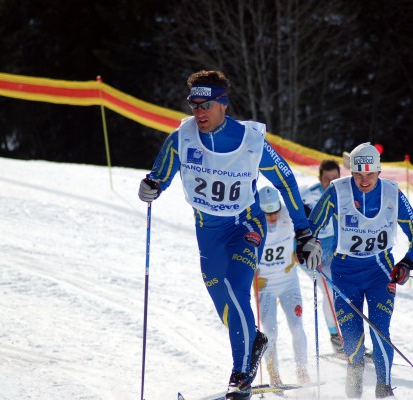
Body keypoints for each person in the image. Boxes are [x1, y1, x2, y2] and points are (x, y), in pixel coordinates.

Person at [137, 70, 322, 400]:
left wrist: (304, 231)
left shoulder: (251, 140)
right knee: (222, 301)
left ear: (223, 103)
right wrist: (150, 187)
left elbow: (286, 181)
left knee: (238, 289)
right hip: (207, 233)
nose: (199, 113)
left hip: (244, 225)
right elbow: (159, 176)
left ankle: (240, 378)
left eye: (206, 105)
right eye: (194, 105)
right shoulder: (183, 137)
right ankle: (254, 342)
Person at [307, 143, 413, 398]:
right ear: (350, 172)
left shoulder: (392, 194)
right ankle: (354, 391)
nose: (364, 181)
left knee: (381, 330)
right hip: (344, 275)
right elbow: (309, 230)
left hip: (379, 273)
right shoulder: (336, 192)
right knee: (353, 346)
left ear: (379, 171)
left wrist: (406, 264)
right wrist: (310, 246)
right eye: (358, 175)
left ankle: (384, 389)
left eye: (370, 174)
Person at [255, 186, 310, 386]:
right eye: (267, 213)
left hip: (288, 281)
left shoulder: (288, 214)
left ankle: (303, 371)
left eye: (275, 211)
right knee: (270, 332)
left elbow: (308, 214)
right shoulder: (253, 222)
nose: (272, 217)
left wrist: (302, 247)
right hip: (265, 286)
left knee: (296, 326)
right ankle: (273, 375)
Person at [300, 159, 343, 354]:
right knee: (329, 290)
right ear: (319, 178)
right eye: (327, 179)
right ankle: (337, 339)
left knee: (340, 290)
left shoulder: (344, 193)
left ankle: (344, 335)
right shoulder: (307, 194)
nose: (331, 183)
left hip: (332, 249)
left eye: (335, 178)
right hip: (312, 250)